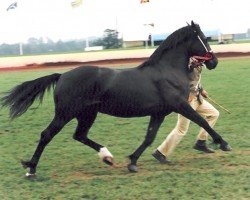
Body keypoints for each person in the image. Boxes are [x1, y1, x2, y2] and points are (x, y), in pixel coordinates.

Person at [152, 57, 232, 164]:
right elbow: (182, 81)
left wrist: (201, 89)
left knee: (214, 114)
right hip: (187, 103)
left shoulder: (198, 64)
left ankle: (201, 142)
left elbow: (194, 80)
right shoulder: (187, 65)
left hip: (198, 99)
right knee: (181, 130)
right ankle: (160, 152)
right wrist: (187, 95)